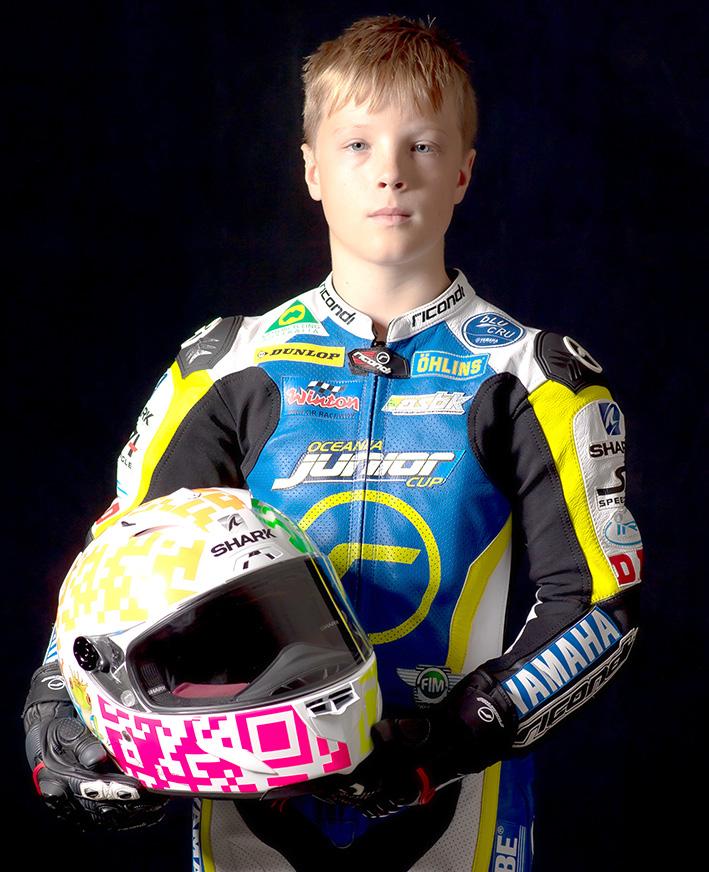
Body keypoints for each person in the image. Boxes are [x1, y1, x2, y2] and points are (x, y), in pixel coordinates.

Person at [23, 13, 642, 871]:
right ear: (312, 169)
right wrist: (57, 704)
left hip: (455, 804)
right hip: (247, 803)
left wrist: (450, 739)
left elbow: (600, 606)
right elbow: (118, 565)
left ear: (463, 171)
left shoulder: (534, 377)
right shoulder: (226, 366)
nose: (390, 172)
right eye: (357, 145)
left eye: (421, 146)